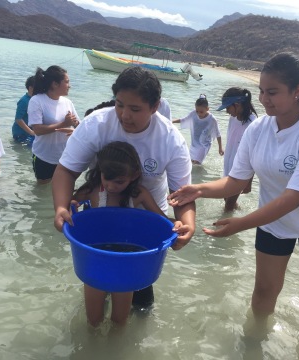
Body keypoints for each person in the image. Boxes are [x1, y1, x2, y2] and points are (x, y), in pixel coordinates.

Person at [169, 53, 299, 335]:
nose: (264, 99)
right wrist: (198, 190)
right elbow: (235, 181)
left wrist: (241, 224)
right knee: (264, 290)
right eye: (262, 91)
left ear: (297, 91)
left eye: (272, 92)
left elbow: (293, 198)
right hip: (274, 222)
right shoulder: (259, 128)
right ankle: (254, 342)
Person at [51, 67, 196, 308]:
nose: (125, 115)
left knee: (140, 299)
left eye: (135, 109)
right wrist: (60, 207)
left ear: (155, 106)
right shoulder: (96, 124)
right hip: (102, 221)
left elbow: (182, 195)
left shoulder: (171, 139)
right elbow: (66, 170)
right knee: (97, 286)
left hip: (145, 222)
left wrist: (187, 225)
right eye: (119, 105)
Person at [71, 141, 188, 326]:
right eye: (106, 178)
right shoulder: (92, 190)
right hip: (95, 258)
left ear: (133, 176)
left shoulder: (138, 193)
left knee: (119, 321)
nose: (110, 186)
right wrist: (70, 207)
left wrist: (179, 225)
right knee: (93, 320)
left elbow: (162, 221)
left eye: (119, 181)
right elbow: (69, 205)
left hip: (128, 262)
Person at [28, 65, 80, 184]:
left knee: (62, 188)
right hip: (43, 157)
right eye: (66, 82)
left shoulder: (67, 102)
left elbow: (79, 125)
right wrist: (64, 123)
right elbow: (38, 130)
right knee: (41, 192)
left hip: (64, 157)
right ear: (54, 84)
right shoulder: (37, 100)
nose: (69, 85)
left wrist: (74, 124)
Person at [216, 87, 257, 211]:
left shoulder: (253, 124)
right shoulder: (233, 118)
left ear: (238, 105)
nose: (227, 111)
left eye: (228, 107)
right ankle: (240, 211)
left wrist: (249, 181)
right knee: (226, 199)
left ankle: (225, 227)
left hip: (241, 172)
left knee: (227, 206)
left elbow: (254, 155)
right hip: (228, 166)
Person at [172, 94, 223, 165]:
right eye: (197, 111)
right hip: (194, 144)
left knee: (197, 164)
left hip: (204, 145)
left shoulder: (212, 119)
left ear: (207, 109)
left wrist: (220, 148)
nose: (199, 114)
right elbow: (184, 120)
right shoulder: (193, 114)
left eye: (201, 112)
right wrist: (171, 121)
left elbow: (218, 134)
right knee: (191, 163)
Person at [12, 76, 36, 144]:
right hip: (20, 132)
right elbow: (18, 119)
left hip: (29, 131)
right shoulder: (24, 101)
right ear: (31, 88)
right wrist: (31, 132)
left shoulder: (36, 100)